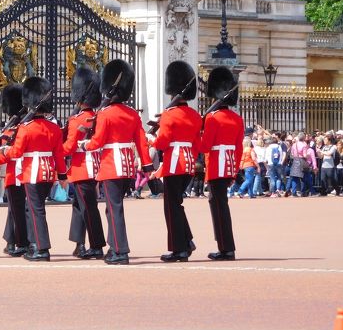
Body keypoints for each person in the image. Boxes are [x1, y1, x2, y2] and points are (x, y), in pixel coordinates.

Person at [78, 59, 153, 265]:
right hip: (127, 166)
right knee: (113, 208)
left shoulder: (105, 114)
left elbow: (98, 142)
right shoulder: (132, 114)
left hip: (111, 165)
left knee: (115, 208)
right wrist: (147, 166)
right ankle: (114, 246)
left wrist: (85, 145)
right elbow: (141, 141)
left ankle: (120, 250)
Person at [2, 76, 68, 261]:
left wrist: (6, 150)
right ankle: (34, 244)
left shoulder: (26, 128)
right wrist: (62, 175)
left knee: (35, 210)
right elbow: (59, 155)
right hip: (48, 174)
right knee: (36, 209)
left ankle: (41, 248)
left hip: (32, 173)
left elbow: (16, 153)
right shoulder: (54, 128)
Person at [149, 60, 201, 262]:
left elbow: (162, 143)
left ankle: (179, 249)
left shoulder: (169, 115)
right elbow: (198, 145)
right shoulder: (195, 115)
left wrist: (151, 139)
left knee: (171, 207)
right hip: (188, 164)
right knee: (177, 205)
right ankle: (186, 241)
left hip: (174, 164)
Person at [200, 66, 244, 261]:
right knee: (220, 204)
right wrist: (234, 171)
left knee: (219, 207)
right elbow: (239, 149)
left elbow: (205, 146)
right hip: (228, 166)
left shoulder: (212, 118)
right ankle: (224, 245)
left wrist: (196, 135)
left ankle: (226, 248)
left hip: (216, 166)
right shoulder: (237, 119)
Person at [62, 67, 106, 259]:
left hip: (81, 170)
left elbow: (70, 147)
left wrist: (55, 151)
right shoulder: (97, 117)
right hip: (95, 166)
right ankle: (79, 244)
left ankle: (96, 245)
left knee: (88, 209)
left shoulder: (77, 119)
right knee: (79, 207)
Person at [0, 84, 29, 257]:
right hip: (29, 172)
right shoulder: (27, 125)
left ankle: (21, 242)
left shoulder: (11, 129)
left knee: (17, 209)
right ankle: (10, 239)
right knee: (15, 208)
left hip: (15, 173)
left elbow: (4, 155)